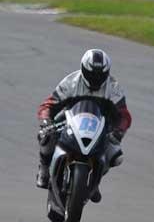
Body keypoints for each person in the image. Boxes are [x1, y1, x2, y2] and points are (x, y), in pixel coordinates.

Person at [36, 49, 132, 203]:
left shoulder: (113, 88)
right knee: (46, 135)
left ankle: (94, 179)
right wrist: (47, 121)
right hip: (70, 122)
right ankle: (44, 168)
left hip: (100, 128)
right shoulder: (71, 82)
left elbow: (124, 115)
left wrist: (119, 131)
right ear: (83, 69)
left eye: (100, 75)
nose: (95, 78)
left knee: (116, 157)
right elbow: (48, 105)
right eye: (92, 74)